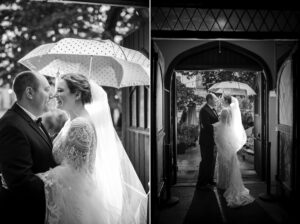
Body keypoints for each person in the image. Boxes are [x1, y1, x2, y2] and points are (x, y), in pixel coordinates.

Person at [36, 73, 148, 224]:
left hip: (72, 202)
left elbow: (73, 172)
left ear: (76, 94)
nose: (55, 95)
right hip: (70, 195)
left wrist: (36, 178)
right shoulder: (72, 121)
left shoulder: (80, 124)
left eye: (60, 90)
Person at [0, 71, 57, 224]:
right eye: (46, 89)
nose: (51, 95)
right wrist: (59, 186)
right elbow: (21, 181)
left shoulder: (33, 120)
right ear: (30, 92)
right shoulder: (11, 125)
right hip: (25, 215)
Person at [213, 94, 254, 208]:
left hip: (224, 138)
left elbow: (223, 124)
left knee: (224, 160)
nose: (221, 101)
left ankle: (224, 183)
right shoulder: (230, 110)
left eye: (222, 99)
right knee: (229, 160)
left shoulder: (225, 111)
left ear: (226, 100)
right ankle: (227, 182)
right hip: (229, 138)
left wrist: (215, 125)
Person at [196, 93, 219, 190]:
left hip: (213, 140)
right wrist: (219, 125)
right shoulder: (204, 110)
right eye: (215, 99)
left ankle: (210, 179)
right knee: (205, 161)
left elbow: (215, 121)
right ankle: (201, 183)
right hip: (206, 140)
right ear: (209, 99)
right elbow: (207, 126)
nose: (216, 101)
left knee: (212, 160)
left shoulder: (213, 109)